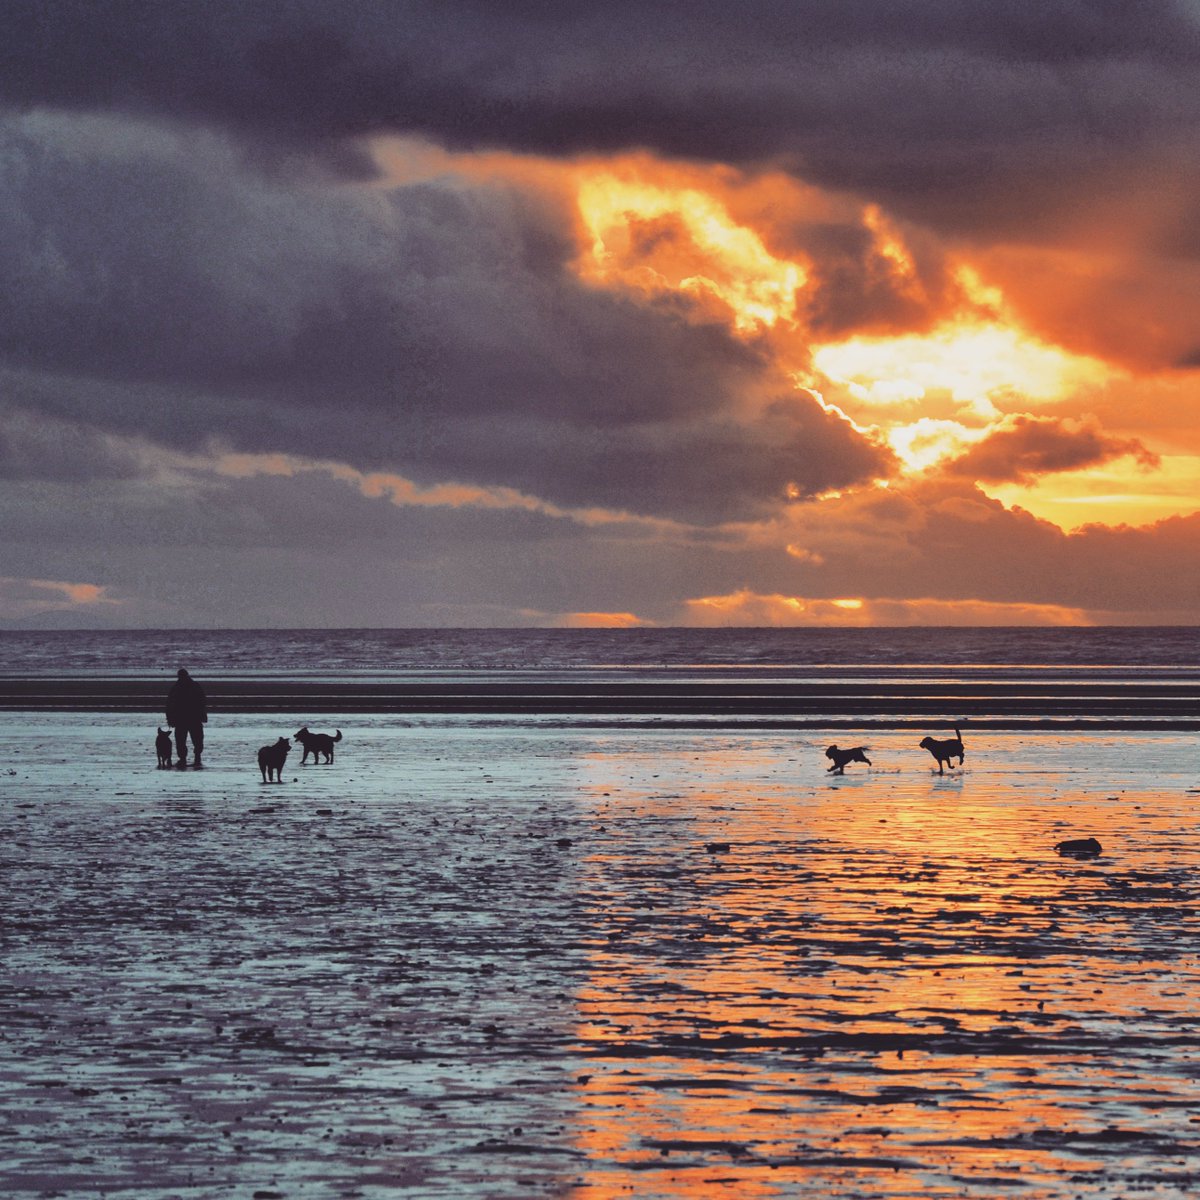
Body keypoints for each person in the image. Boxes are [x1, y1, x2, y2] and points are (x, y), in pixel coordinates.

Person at [166, 668, 207, 767]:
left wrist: (170, 718)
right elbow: (202, 701)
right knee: (196, 739)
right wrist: (203, 715)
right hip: (192, 717)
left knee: (182, 739)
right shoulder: (194, 686)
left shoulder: (176, 687)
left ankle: (184, 758)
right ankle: (195, 756)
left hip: (182, 718)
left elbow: (170, 704)